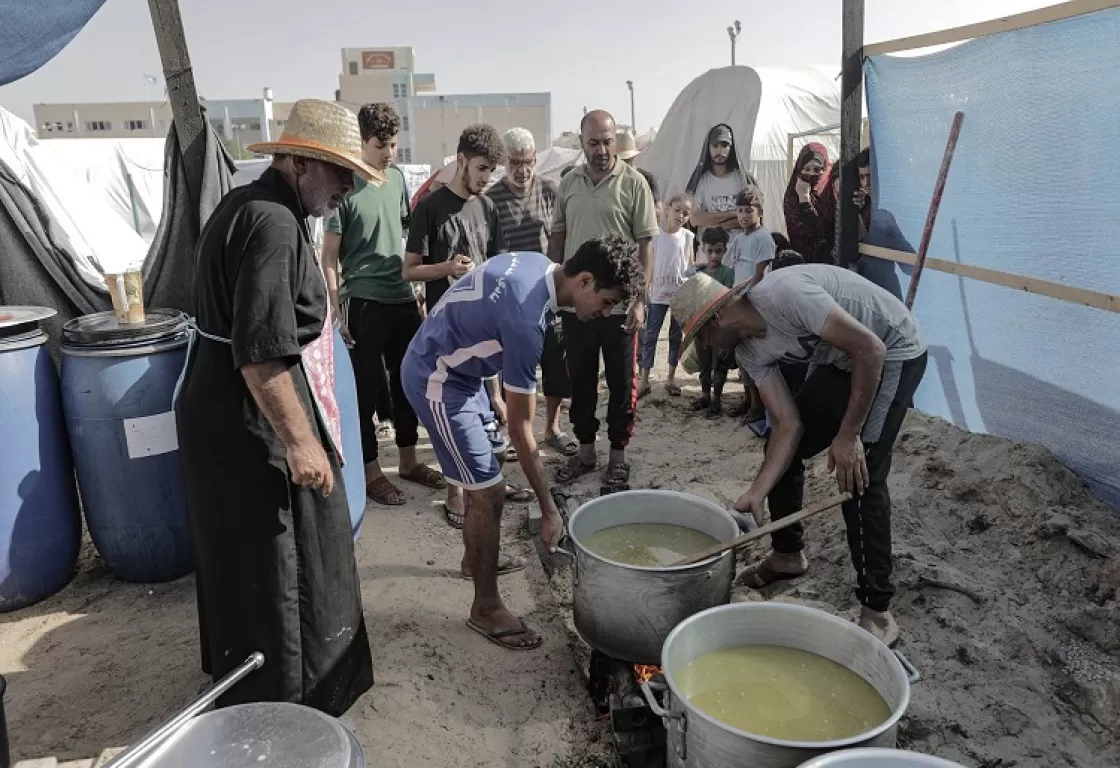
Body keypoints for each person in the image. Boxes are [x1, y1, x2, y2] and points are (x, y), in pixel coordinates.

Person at [176, 99, 375, 714]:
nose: (347, 186)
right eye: (338, 172)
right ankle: (288, 695)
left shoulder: (254, 205)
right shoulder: (274, 224)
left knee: (241, 547)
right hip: (251, 411)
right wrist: (300, 441)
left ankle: (243, 670)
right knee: (286, 552)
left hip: (222, 403)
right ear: (296, 161)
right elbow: (261, 353)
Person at [401, 237, 644, 650]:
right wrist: (549, 510)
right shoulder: (527, 321)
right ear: (584, 281)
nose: (604, 312)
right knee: (490, 494)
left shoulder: (534, 264)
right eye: (605, 302)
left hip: (466, 373)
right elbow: (522, 431)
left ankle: (474, 561)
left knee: (486, 479)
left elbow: (483, 319)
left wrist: (492, 390)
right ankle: (486, 607)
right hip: (438, 379)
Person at [670, 264, 927, 646]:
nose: (706, 348)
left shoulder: (786, 296)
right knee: (780, 449)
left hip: (891, 351)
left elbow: (871, 349)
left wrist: (848, 434)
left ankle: (878, 610)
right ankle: (787, 555)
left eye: (703, 336)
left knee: (859, 475)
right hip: (843, 359)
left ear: (720, 315)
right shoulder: (749, 351)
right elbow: (788, 425)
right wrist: (757, 492)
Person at [322, 102, 444, 506]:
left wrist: (420, 292)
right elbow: (329, 258)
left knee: (409, 384)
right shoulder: (344, 187)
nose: (389, 153)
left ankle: (408, 461)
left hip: (403, 298)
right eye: (380, 145)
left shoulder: (397, 181)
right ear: (362, 143)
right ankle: (371, 471)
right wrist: (336, 311)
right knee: (364, 391)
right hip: (365, 303)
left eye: (393, 144)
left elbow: (410, 242)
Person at [548, 110, 658, 488]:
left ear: (616, 140)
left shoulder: (635, 184)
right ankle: (585, 453)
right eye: (593, 142)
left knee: (620, 383)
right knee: (579, 381)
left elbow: (646, 247)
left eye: (607, 141)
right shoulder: (568, 183)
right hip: (577, 306)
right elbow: (558, 239)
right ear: (581, 143)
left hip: (619, 307)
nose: (601, 149)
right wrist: (553, 292)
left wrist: (640, 300)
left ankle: (618, 457)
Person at [403, 124, 506, 525]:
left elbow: (498, 267)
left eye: (491, 172)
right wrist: (446, 268)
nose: (485, 178)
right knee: (450, 410)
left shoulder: (489, 207)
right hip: (444, 332)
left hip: (484, 328)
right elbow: (408, 271)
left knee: (485, 415)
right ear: (461, 160)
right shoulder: (429, 207)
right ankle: (454, 493)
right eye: (481, 168)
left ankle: (487, 482)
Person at [485, 127, 576, 458]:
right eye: (515, 163)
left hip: (547, 290)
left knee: (555, 361)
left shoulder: (550, 191)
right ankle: (513, 431)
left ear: (535, 159)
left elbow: (559, 239)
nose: (522, 170)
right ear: (504, 163)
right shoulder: (491, 200)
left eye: (527, 162)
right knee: (513, 367)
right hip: (510, 296)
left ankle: (552, 427)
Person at [638, 193, 694, 399]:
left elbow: (689, 266)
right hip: (658, 294)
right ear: (668, 208)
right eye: (677, 210)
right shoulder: (656, 236)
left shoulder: (688, 237)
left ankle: (670, 378)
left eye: (686, 213)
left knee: (675, 337)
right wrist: (645, 290)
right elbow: (649, 264)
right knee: (651, 335)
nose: (681, 216)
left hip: (679, 295)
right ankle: (645, 378)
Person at [684, 227, 735, 417]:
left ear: (724, 251)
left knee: (719, 364)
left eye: (719, 251)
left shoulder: (727, 273)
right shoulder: (697, 273)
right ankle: (704, 395)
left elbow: (726, 298)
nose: (714, 255)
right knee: (704, 364)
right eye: (710, 251)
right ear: (703, 250)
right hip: (701, 326)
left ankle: (717, 399)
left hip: (719, 327)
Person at [685, 123, 758, 240]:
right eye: (715, 145)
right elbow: (694, 219)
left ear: (731, 148)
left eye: (724, 145)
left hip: (740, 250)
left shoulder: (743, 180)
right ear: (708, 148)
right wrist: (732, 214)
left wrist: (711, 222)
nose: (720, 150)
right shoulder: (702, 182)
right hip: (710, 252)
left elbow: (752, 218)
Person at [783, 143, 832, 263]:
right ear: (799, 170)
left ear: (824, 169)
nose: (811, 174)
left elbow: (823, 232)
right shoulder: (792, 196)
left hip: (829, 261)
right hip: (801, 260)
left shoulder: (831, 194)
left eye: (817, 169)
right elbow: (802, 234)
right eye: (807, 169)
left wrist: (805, 199)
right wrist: (802, 197)